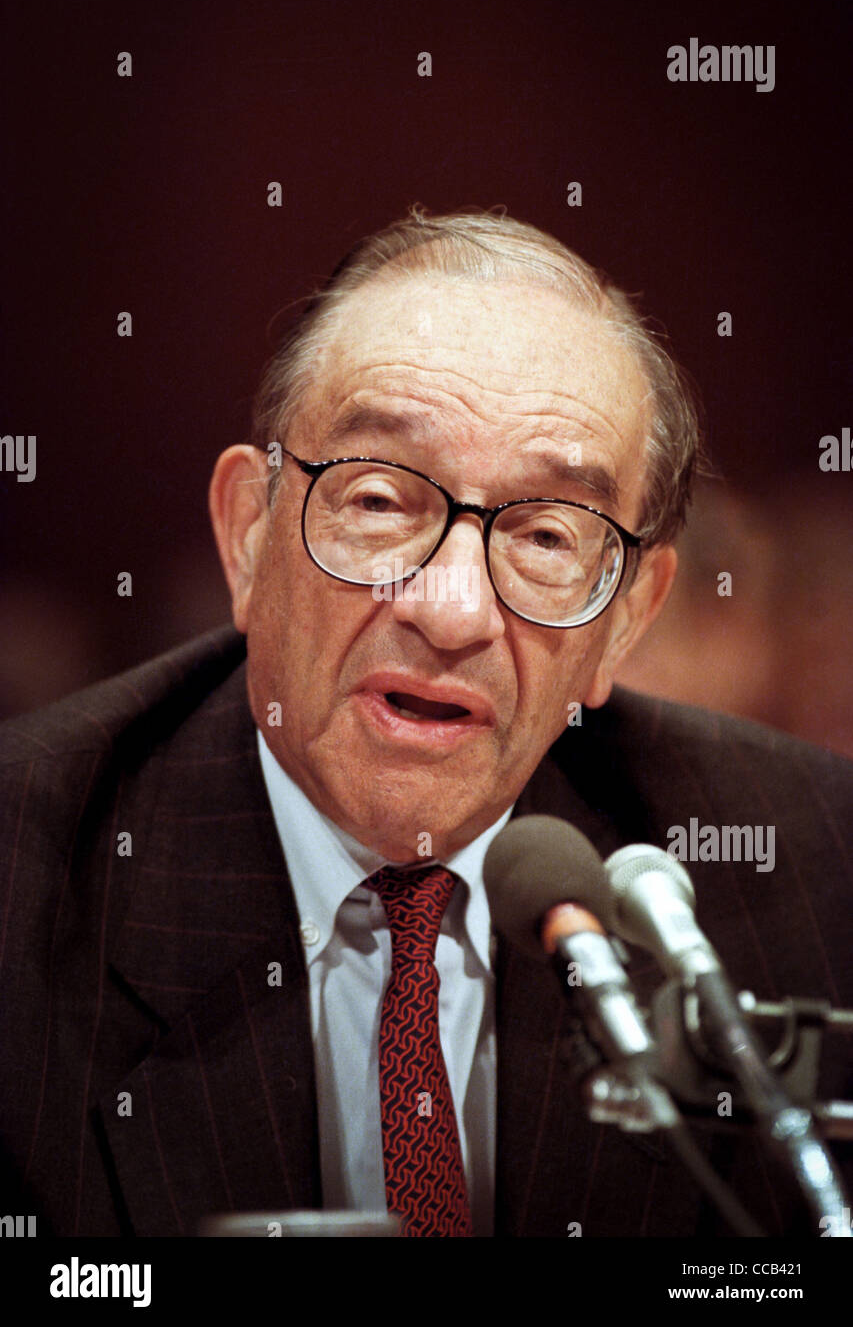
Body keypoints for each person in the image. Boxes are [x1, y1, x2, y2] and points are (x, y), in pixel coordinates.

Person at [1, 209, 850, 1238]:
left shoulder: (817, 873)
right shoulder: (24, 887)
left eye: (545, 533)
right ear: (247, 535)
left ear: (625, 620)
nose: (451, 610)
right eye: (378, 501)